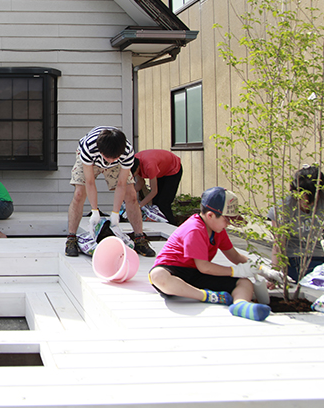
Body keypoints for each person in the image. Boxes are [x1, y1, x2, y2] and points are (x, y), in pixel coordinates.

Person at [148, 187, 272, 321]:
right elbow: (204, 267)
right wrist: (235, 271)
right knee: (157, 276)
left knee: (244, 282)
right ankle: (207, 296)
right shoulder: (194, 229)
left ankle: (240, 304)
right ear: (210, 215)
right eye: (226, 220)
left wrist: (262, 270)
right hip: (174, 270)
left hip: (196, 273)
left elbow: (235, 256)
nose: (228, 224)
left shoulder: (218, 230)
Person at [65, 126, 155, 258]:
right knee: (79, 194)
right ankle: (71, 238)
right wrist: (95, 211)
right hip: (90, 161)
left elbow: (121, 184)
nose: (110, 161)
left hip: (117, 164)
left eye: (115, 158)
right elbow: (90, 182)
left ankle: (139, 238)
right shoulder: (89, 147)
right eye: (108, 158)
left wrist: (115, 213)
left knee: (131, 194)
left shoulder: (127, 152)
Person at [268, 165, 324, 282]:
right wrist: (274, 273)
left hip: (318, 254)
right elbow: (278, 244)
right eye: (304, 199)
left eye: (313, 200)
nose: (309, 204)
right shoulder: (284, 206)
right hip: (293, 258)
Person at [132, 149, 183, 224]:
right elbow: (140, 183)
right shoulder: (133, 162)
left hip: (173, 168)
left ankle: (171, 226)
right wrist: (128, 195)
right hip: (161, 168)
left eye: (133, 174)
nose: (133, 176)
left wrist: (139, 206)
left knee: (163, 203)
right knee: (155, 203)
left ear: (137, 168)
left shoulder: (149, 166)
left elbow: (154, 191)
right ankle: (161, 224)